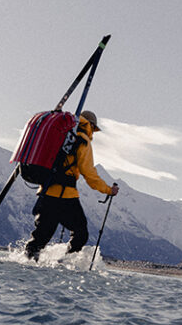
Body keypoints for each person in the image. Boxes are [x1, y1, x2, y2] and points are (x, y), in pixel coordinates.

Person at [24, 110, 119, 260]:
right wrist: (108, 190)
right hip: (65, 196)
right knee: (81, 234)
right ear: (91, 126)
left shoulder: (61, 134)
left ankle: (26, 263)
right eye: (94, 129)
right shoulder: (82, 140)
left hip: (45, 192)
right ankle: (63, 262)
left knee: (40, 237)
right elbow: (89, 174)